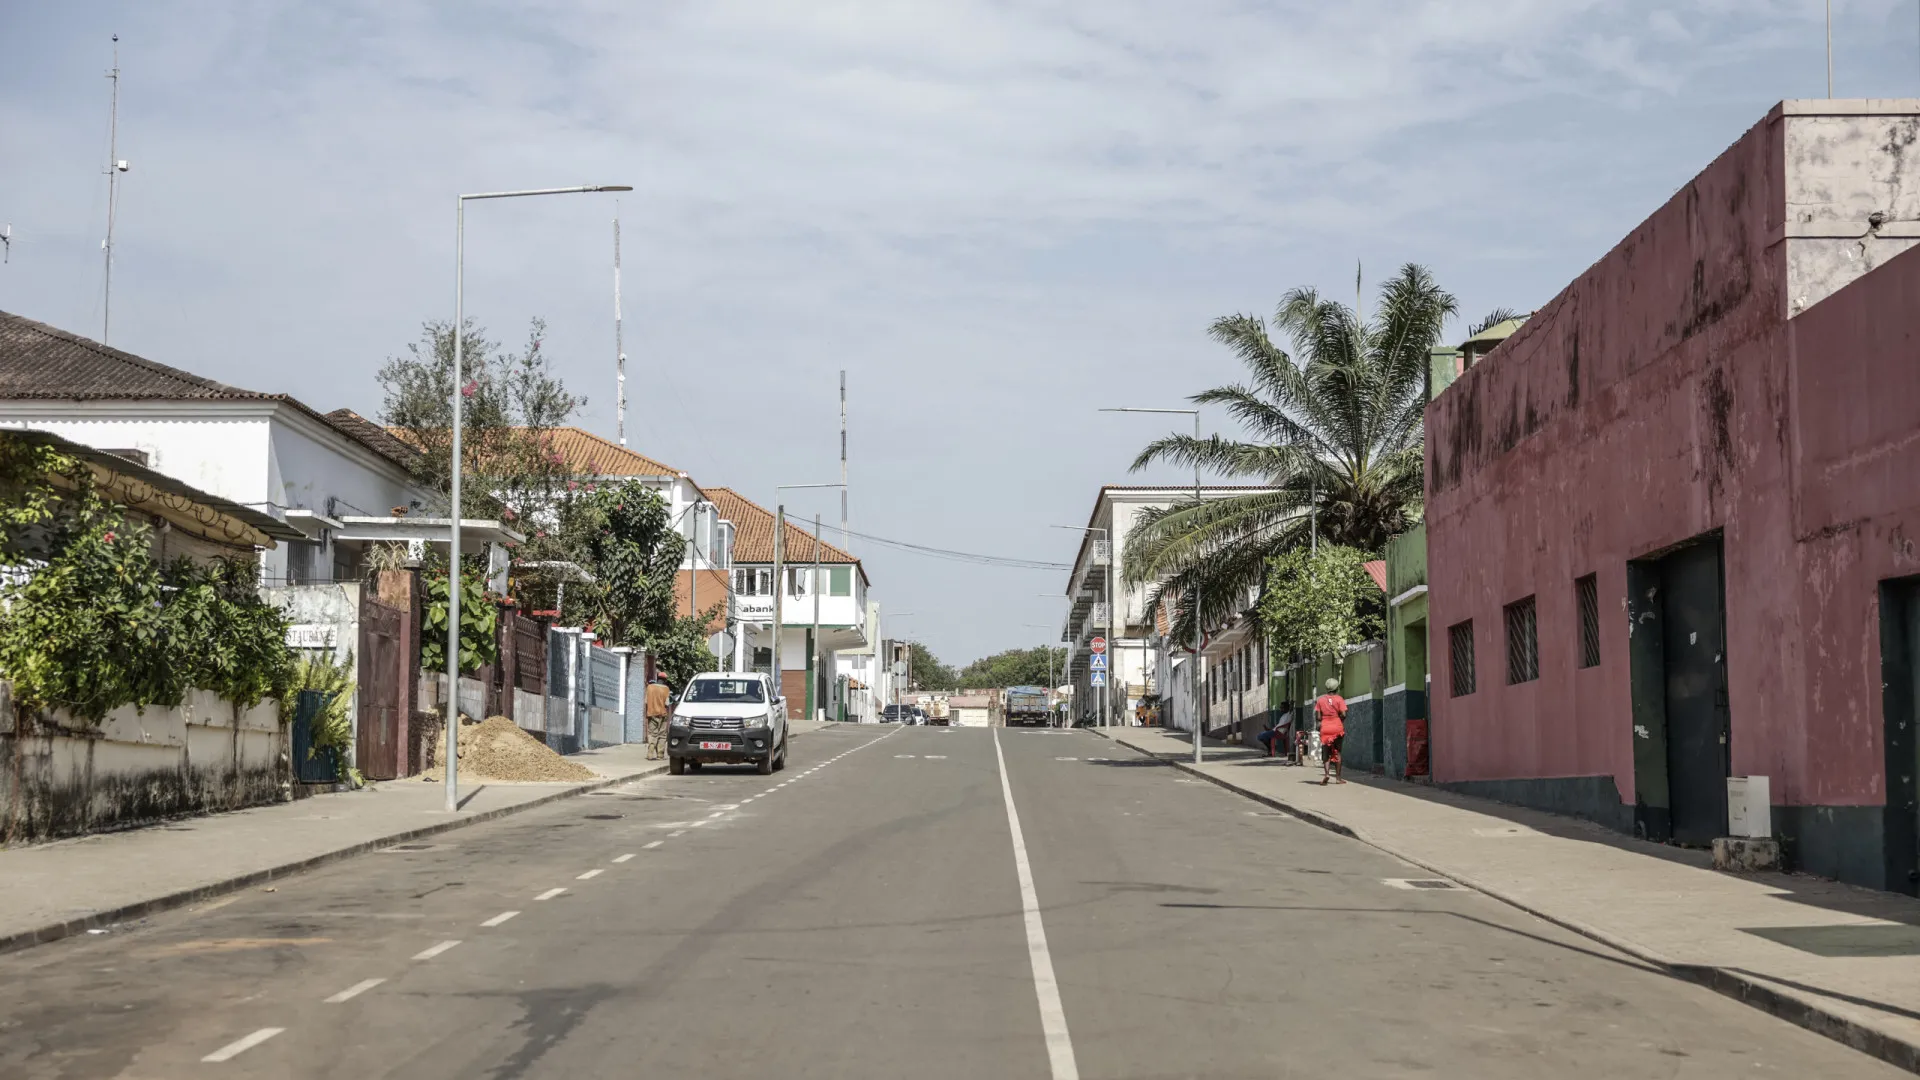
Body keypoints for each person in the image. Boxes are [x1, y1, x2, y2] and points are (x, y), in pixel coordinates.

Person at [1315, 677, 1348, 785]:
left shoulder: (1320, 700)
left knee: (1326, 752)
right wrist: (1338, 719)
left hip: (1325, 727)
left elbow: (1318, 717)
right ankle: (1338, 778)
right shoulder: (1339, 699)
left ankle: (1327, 774)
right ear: (1337, 688)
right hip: (1337, 727)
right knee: (1338, 752)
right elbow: (1344, 714)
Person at [644, 674, 672, 761]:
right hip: (662, 715)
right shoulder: (666, 689)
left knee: (652, 734)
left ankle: (650, 754)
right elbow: (667, 703)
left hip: (651, 714)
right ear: (665, 680)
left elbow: (646, 702)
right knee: (662, 735)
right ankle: (660, 755)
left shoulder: (649, 687)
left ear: (657, 678)